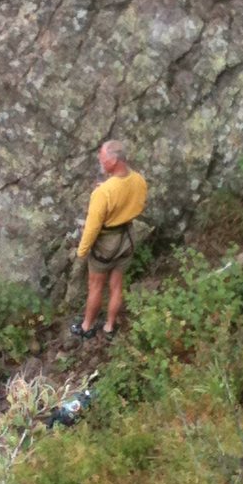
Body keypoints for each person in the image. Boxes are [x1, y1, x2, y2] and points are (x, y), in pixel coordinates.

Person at [70, 140, 148, 339]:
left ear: (114, 160)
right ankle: (110, 326)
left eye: (103, 158)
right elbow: (136, 203)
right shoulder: (138, 180)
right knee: (116, 285)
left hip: (107, 243)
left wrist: (82, 251)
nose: (100, 161)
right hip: (127, 238)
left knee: (95, 286)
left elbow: (92, 227)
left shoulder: (103, 193)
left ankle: (87, 327)